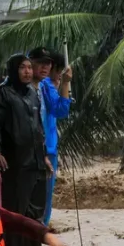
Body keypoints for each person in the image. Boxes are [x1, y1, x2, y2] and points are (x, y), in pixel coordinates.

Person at [0, 53, 47, 246]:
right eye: (23, 67)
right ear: (13, 70)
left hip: (36, 160)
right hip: (16, 160)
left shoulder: (32, 93)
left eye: (30, 67)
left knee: (36, 210)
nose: (28, 71)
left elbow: (38, 127)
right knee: (15, 210)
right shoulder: (2, 93)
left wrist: (44, 155)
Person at [29, 48, 73, 226]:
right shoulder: (45, 85)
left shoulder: (43, 86)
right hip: (43, 148)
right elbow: (61, 110)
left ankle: (39, 229)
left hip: (48, 147)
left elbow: (60, 110)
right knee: (41, 195)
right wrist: (64, 84)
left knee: (43, 195)